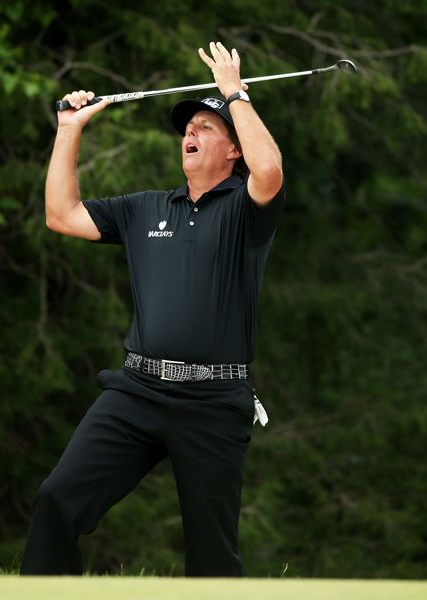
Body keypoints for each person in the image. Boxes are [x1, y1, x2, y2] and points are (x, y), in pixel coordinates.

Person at [21, 41, 284, 577]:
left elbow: (271, 169)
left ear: (233, 149)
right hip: (137, 391)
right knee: (57, 499)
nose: (190, 133)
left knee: (212, 557)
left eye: (205, 128)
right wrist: (68, 131)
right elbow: (61, 214)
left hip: (213, 401)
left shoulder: (245, 209)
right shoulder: (144, 209)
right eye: (187, 129)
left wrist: (233, 94)